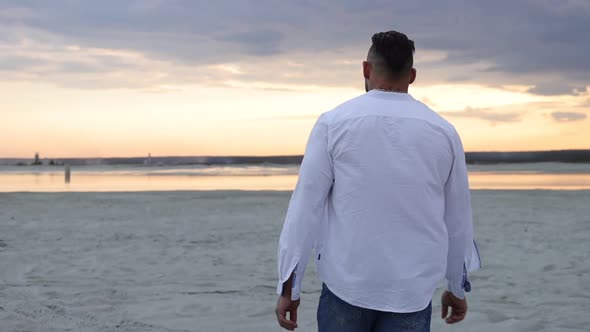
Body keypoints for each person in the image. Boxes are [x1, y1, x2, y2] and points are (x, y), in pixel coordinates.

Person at [275, 30, 481, 332]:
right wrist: (456, 287)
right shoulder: (444, 133)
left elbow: (304, 210)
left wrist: (288, 288)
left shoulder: (333, 123)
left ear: (366, 69)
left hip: (347, 285)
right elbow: (458, 219)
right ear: (411, 75)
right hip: (411, 291)